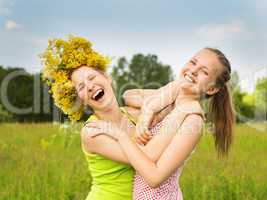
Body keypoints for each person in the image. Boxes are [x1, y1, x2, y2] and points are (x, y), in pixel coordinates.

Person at [40, 35, 202, 200]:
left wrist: (188, 78)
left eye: (92, 77)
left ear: (106, 77)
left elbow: (172, 99)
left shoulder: (135, 114)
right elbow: (145, 157)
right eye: (81, 87)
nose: (89, 86)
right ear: (79, 99)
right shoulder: (92, 132)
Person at [85, 47, 235, 199]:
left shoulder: (192, 120)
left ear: (212, 89)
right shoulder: (168, 104)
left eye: (204, 71)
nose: (194, 70)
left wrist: (119, 135)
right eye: (193, 62)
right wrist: (149, 111)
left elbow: (155, 178)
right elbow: (129, 95)